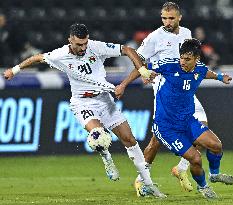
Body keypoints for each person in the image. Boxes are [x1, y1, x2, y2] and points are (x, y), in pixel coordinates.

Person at [3, 23, 166, 198]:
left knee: (129, 139)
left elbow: (127, 50)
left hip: (104, 100)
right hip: (82, 103)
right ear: (70, 41)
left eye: (85, 44)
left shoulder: (95, 47)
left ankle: (146, 182)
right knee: (98, 134)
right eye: (78, 44)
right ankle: (107, 158)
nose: (83, 48)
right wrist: (14, 70)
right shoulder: (60, 55)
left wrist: (142, 70)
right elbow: (37, 58)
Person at [115, 2, 204, 194]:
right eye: (164, 18)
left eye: (171, 18)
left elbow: (192, 60)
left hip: (185, 90)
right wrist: (129, 80)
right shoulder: (155, 37)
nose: (167, 21)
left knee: (201, 126)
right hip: (165, 92)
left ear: (179, 17)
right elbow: (138, 59)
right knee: (158, 138)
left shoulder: (187, 33)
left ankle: (181, 169)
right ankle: (142, 180)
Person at [147, 38, 233, 199]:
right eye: (181, 57)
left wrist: (219, 77)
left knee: (216, 145)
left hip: (187, 120)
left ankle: (214, 175)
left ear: (197, 59)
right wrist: (131, 80)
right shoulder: (169, 65)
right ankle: (203, 187)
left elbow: (205, 72)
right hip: (167, 127)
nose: (183, 61)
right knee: (195, 158)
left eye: (187, 59)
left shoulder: (199, 69)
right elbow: (142, 65)